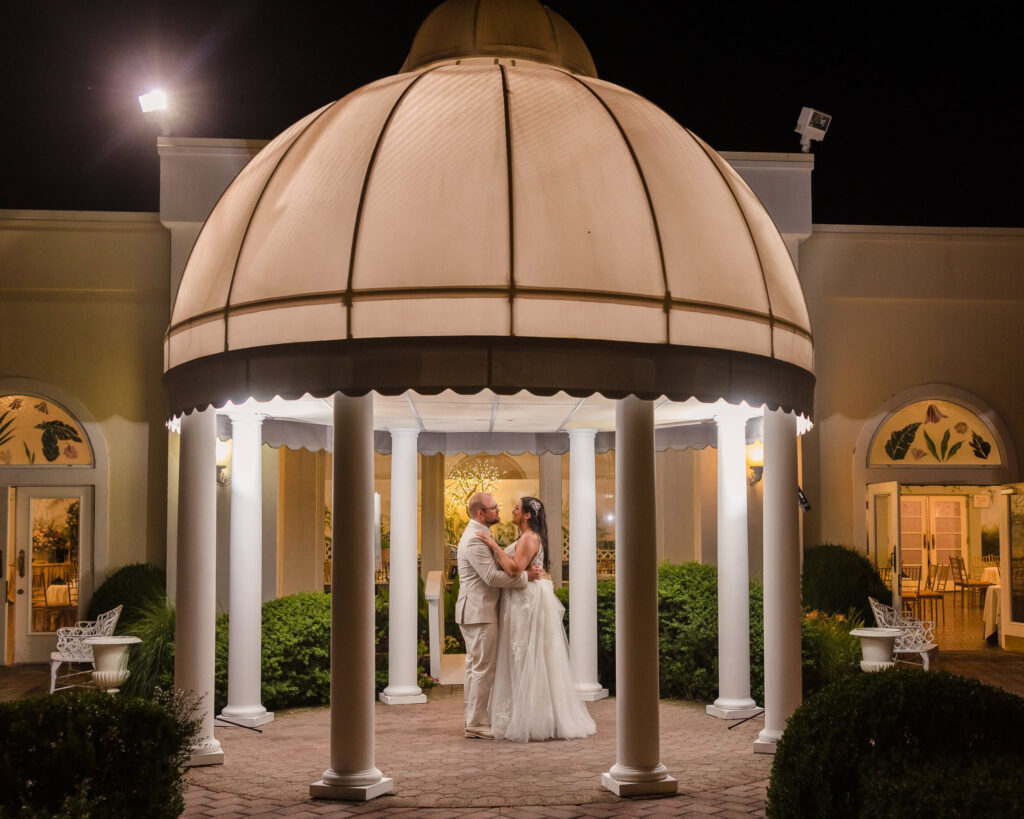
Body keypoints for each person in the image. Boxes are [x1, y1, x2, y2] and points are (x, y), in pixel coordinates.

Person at [476, 496, 597, 742]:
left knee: (526, 654)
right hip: (522, 598)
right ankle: (528, 714)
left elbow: (513, 569)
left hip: (526, 601)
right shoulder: (526, 537)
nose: (512, 511)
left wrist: (493, 546)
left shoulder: (530, 537)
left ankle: (532, 718)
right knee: (524, 655)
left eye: (517, 508)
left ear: (528, 515)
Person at [456, 491, 543, 740]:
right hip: (479, 611)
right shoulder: (475, 539)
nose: (499, 510)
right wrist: (527, 576)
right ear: (481, 513)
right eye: (494, 508)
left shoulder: (481, 534)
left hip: (477, 610)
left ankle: (473, 719)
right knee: (483, 669)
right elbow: (492, 578)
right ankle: (476, 723)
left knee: (476, 667)